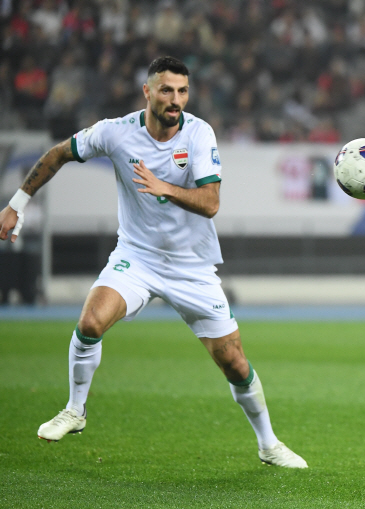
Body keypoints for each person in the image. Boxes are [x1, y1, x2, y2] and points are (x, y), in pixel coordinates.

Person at [0, 56, 307, 469]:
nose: (175, 99)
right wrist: (17, 203)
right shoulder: (115, 133)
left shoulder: (199, 134)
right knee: (90, 322)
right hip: (137, 257)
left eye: (182, 91)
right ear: (147, 92)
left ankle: (268, 444)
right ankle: (75, 410)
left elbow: (211, 203)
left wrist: (165, 188)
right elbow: (58, 154)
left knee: (234, 361)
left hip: (191, 266)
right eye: (166, 90)